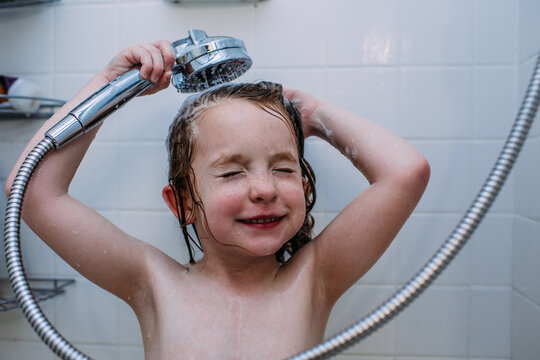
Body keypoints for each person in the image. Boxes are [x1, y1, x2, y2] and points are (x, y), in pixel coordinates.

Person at [5, 41, 430, 359]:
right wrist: (111, 87)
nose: (265, 189)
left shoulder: (315, 278)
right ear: (183, 202)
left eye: (283, 169)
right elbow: (31, 190)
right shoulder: (152, 282)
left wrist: (314, 113)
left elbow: (405, 172)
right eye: (231, 172)